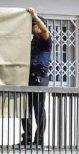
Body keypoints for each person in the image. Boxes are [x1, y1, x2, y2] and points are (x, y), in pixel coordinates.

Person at [21, 7, 52, 146]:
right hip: (28, 79)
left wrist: (35, 16)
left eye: (35, 25)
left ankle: (38, 140)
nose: (34, 27)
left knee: (38, 110)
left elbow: (45, 31)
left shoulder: (45, 40)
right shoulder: (32, 41)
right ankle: (26, 139)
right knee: (25, 110)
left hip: (39, 80)